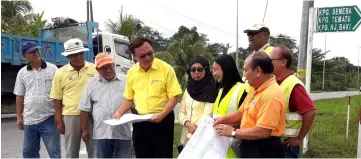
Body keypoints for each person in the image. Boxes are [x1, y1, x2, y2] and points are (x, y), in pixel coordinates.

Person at [112, 37, 182, 158]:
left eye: (150, 53)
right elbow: (129, 99)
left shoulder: (166, 69)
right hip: (141, 121)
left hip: (163, 119)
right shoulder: (132, 73)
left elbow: (174, 97)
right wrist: (118, 113)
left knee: (163, 155)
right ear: (134, 57)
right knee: (142, 154)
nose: (148, 58)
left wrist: (162, 115)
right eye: (142, 56)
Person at [214, 51, 286, 158]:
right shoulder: (255, 89)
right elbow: (241, 112)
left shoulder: (271, 95)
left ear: (258, 71)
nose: (244, 74)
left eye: (245, 70)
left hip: (264, 149)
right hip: (250, 145)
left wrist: (233, 132)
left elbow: (263, 131)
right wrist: (220, 120)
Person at [49, 38, 98, 158]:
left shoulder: (95, 69)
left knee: (95, 150)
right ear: (68, 56)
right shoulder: (60, 73)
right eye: (75, 55)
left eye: (81, 53)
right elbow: (57, 98)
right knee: (71, 151)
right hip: (71, 115)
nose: (79, 57)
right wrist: (59, 119)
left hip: (93, 114)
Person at [78, 53, 132, 158]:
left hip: (123, 133)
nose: (107, 70)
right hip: (101, 133)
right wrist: (84, 130)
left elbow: (133, 103)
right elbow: (84, 108)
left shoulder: (126, 81)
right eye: (103, 68)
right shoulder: (91, 84)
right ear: (97, 70)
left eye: (109, 66)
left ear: (114, 65)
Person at [14, 41, 60, 158]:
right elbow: (20, 96)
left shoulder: (53, 69)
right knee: (29, 154)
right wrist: (19, 116)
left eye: (37, 51)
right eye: (31, 52)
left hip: (49, 118)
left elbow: (59, 94)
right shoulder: (22, 73)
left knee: (54, 153)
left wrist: (59, 115)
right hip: (29, 119)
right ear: (25, 56)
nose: (35, 53)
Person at [269, 46, 316, 158]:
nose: (268, 63)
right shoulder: (274, 82)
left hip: (286, 147)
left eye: (270, 60)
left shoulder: (293, 85)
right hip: (273, 143)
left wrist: (299, 138)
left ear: (283, 62)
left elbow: (310, 112)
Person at [177, 56, 218, 152]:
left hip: (201, 138)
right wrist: (187, 123)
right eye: (193, 69)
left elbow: (207, 116)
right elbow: (181, 112)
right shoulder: (188, 89)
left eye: (200, 69)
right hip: (185, 137)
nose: (196, 73)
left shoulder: (211, 90)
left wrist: (190, 135)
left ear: (206, 70)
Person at [212, 54, 248, 158]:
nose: (214, 73)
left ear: (226, 69)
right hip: (219, 146)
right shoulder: (221, 90)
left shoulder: (242, 89)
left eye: (216, 69)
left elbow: (246, 119)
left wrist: (231, 129)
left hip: (234, 146)